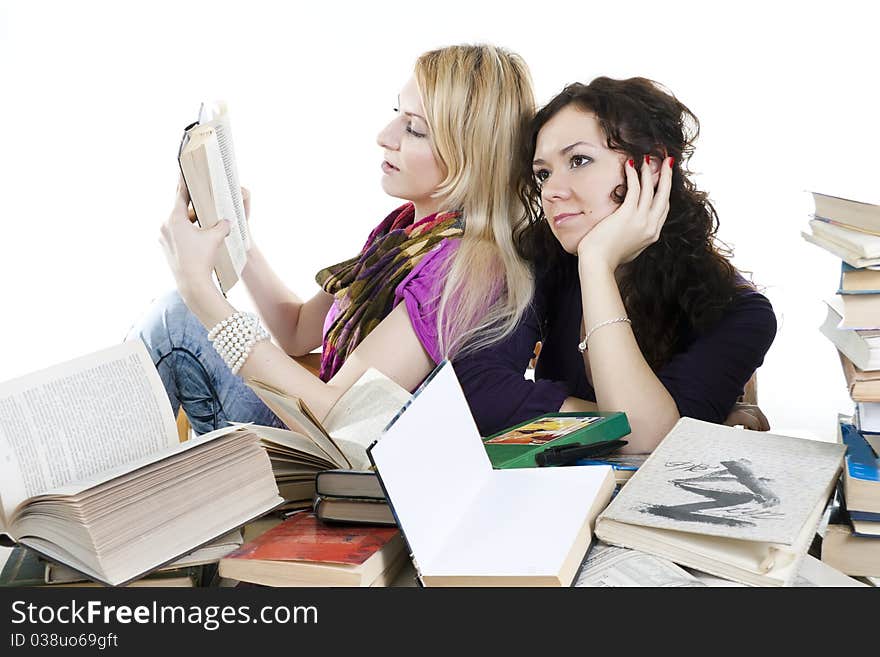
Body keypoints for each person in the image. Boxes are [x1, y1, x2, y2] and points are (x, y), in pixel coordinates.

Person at [129, 44, 536, 434]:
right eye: (397, 113)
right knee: (177, 314)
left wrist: (199, 290)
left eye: (413, 129)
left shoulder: (464, 268)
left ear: (470, 156)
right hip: (310, 422)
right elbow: (296, 331)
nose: (385, 135)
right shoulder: (407, 232)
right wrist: (237, 237)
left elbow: (339, 416)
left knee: (177, 318)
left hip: (326, 455)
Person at [455, 77, 777, 453]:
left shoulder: (741, 313)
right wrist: (626, 424)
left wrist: (596, 264)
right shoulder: (539, 257)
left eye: (578, 161)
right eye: (543, 173)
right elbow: (474, 388)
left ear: (651, 168)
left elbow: (644, 443)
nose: (551, 191)